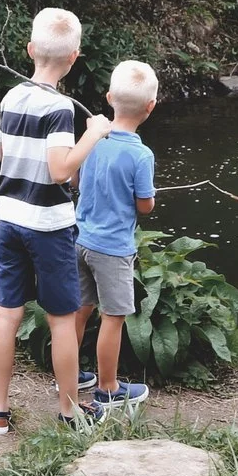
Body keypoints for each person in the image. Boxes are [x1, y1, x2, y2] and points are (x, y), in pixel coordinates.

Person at [0, 7, 111, 434]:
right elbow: (60, 172)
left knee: (7, 313)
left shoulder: (11, 97)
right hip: (49, 227)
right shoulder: (59, 109)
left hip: (9, 220)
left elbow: (4, 155)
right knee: (61, 318)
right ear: (74, 57)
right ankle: (70, 411)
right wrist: (92, 135)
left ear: (30, 49)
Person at [76, 59, 158, 413]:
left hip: (79, 240)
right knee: (114, 317)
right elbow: (145, 206)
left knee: (78, 310)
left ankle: (70, 372)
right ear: (150, 107)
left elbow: (77, 181)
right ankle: (108, 389)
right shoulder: (142, 155)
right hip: (112, 250)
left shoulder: (93, 139)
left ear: (109, 97)